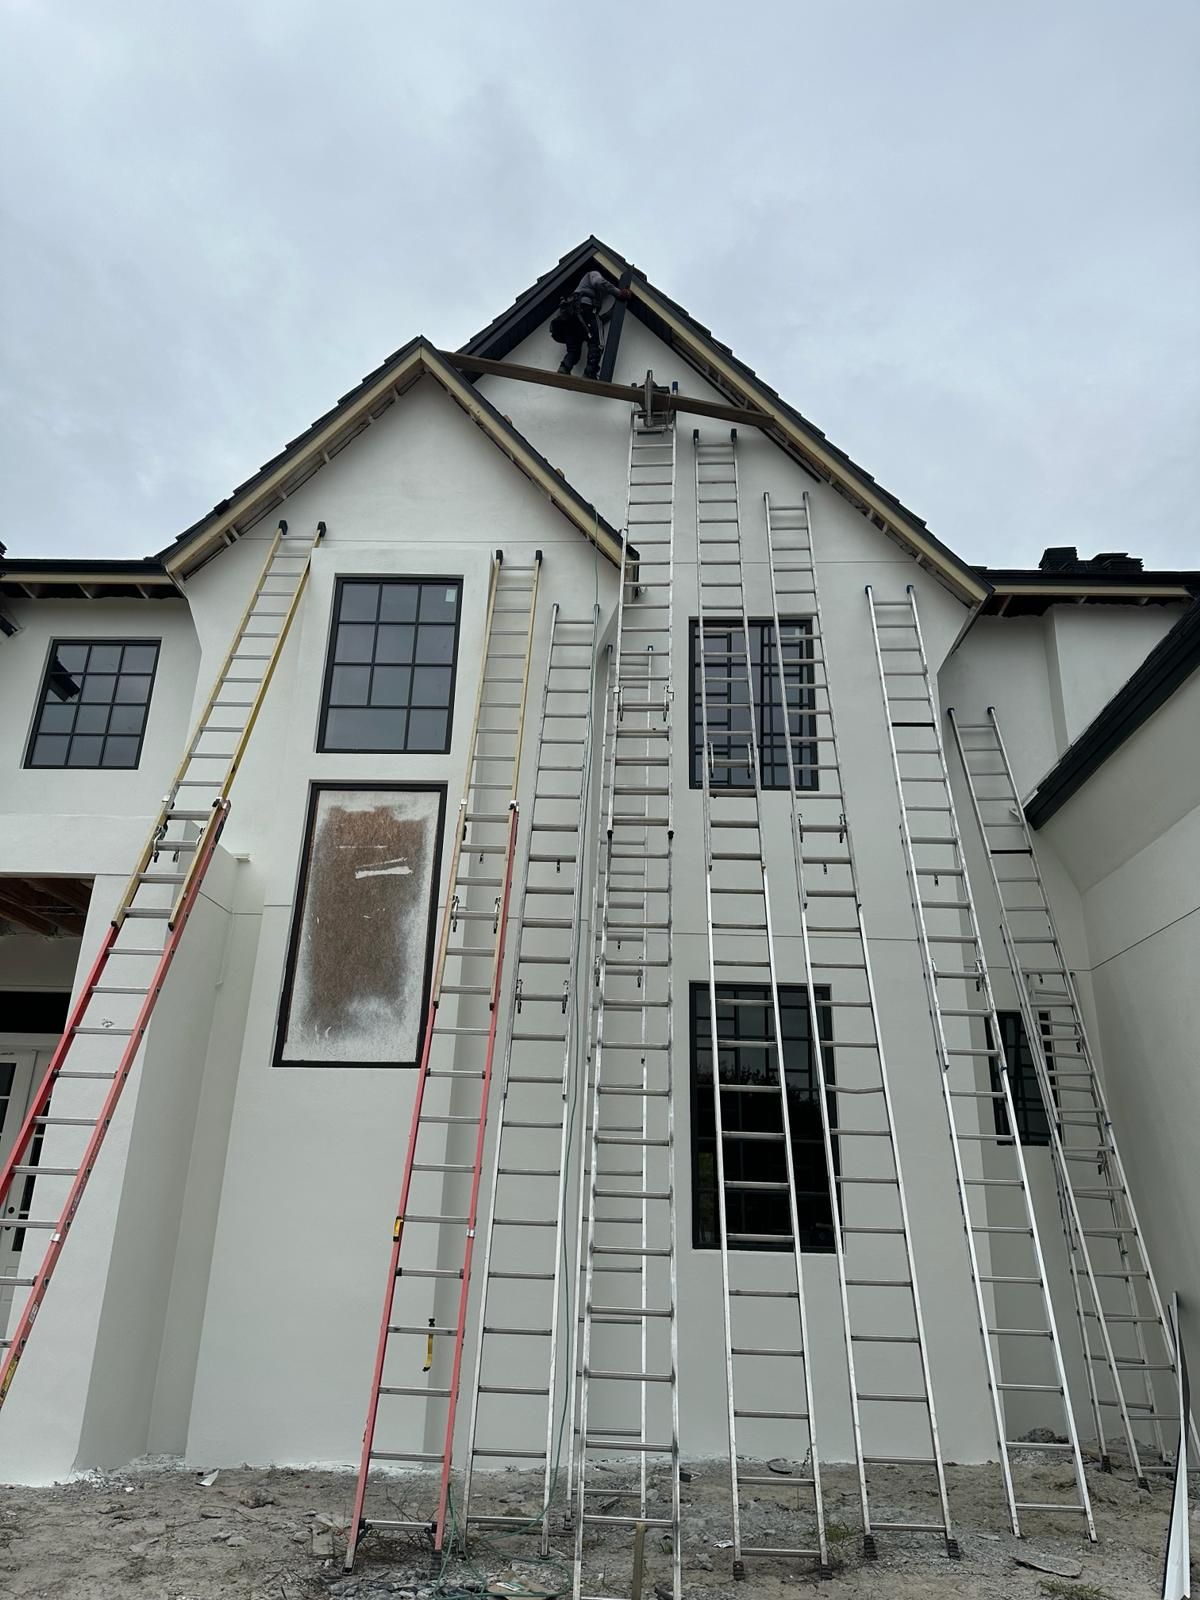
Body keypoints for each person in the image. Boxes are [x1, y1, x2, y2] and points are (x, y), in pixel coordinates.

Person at [549, 271, 631, 379]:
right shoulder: (593, 274)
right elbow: (599, 282)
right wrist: (620, 293)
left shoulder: (586, 294)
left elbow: (597, 321)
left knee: (574, 350)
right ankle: (590, 373)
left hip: (572, 318)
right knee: (597, 342)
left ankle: (564, 368)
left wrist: (613, 311)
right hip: (583, 310)